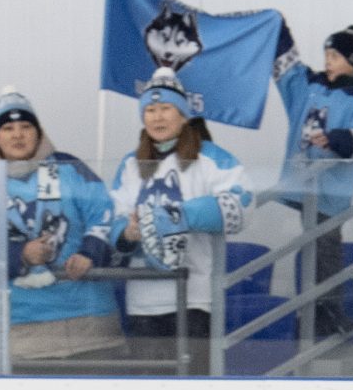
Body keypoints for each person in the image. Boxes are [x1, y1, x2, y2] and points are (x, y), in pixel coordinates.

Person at [0, 88, 120, 363]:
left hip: (91, 319)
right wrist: (21, 254)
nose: (18, 135)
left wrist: (90, 252)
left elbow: (105, 213)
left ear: (39, 133)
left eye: (26, 126)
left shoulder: (70, 168)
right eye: (8, 128)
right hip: (27, 326)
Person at [107, 67, 252, 368]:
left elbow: (243, 203)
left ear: (184, 115)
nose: (157, 117)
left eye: (166, 109)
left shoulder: (210, 157)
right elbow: (111, 218)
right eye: (150, 110)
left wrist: (180, 216)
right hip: (143, 302)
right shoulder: (130, 164)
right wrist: (128, 233)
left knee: (193, 388)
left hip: (194, 299)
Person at [272, 20, 353, 336]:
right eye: (326, 55)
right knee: (315, 244)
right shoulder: (310, 87)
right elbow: (287, 70)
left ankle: (330, 310)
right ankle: (318, 311)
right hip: (304, 181)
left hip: (331, 188)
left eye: (335, 56)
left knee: (326, 245)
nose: (328, 61)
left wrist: (337, 139)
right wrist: (278, 30)